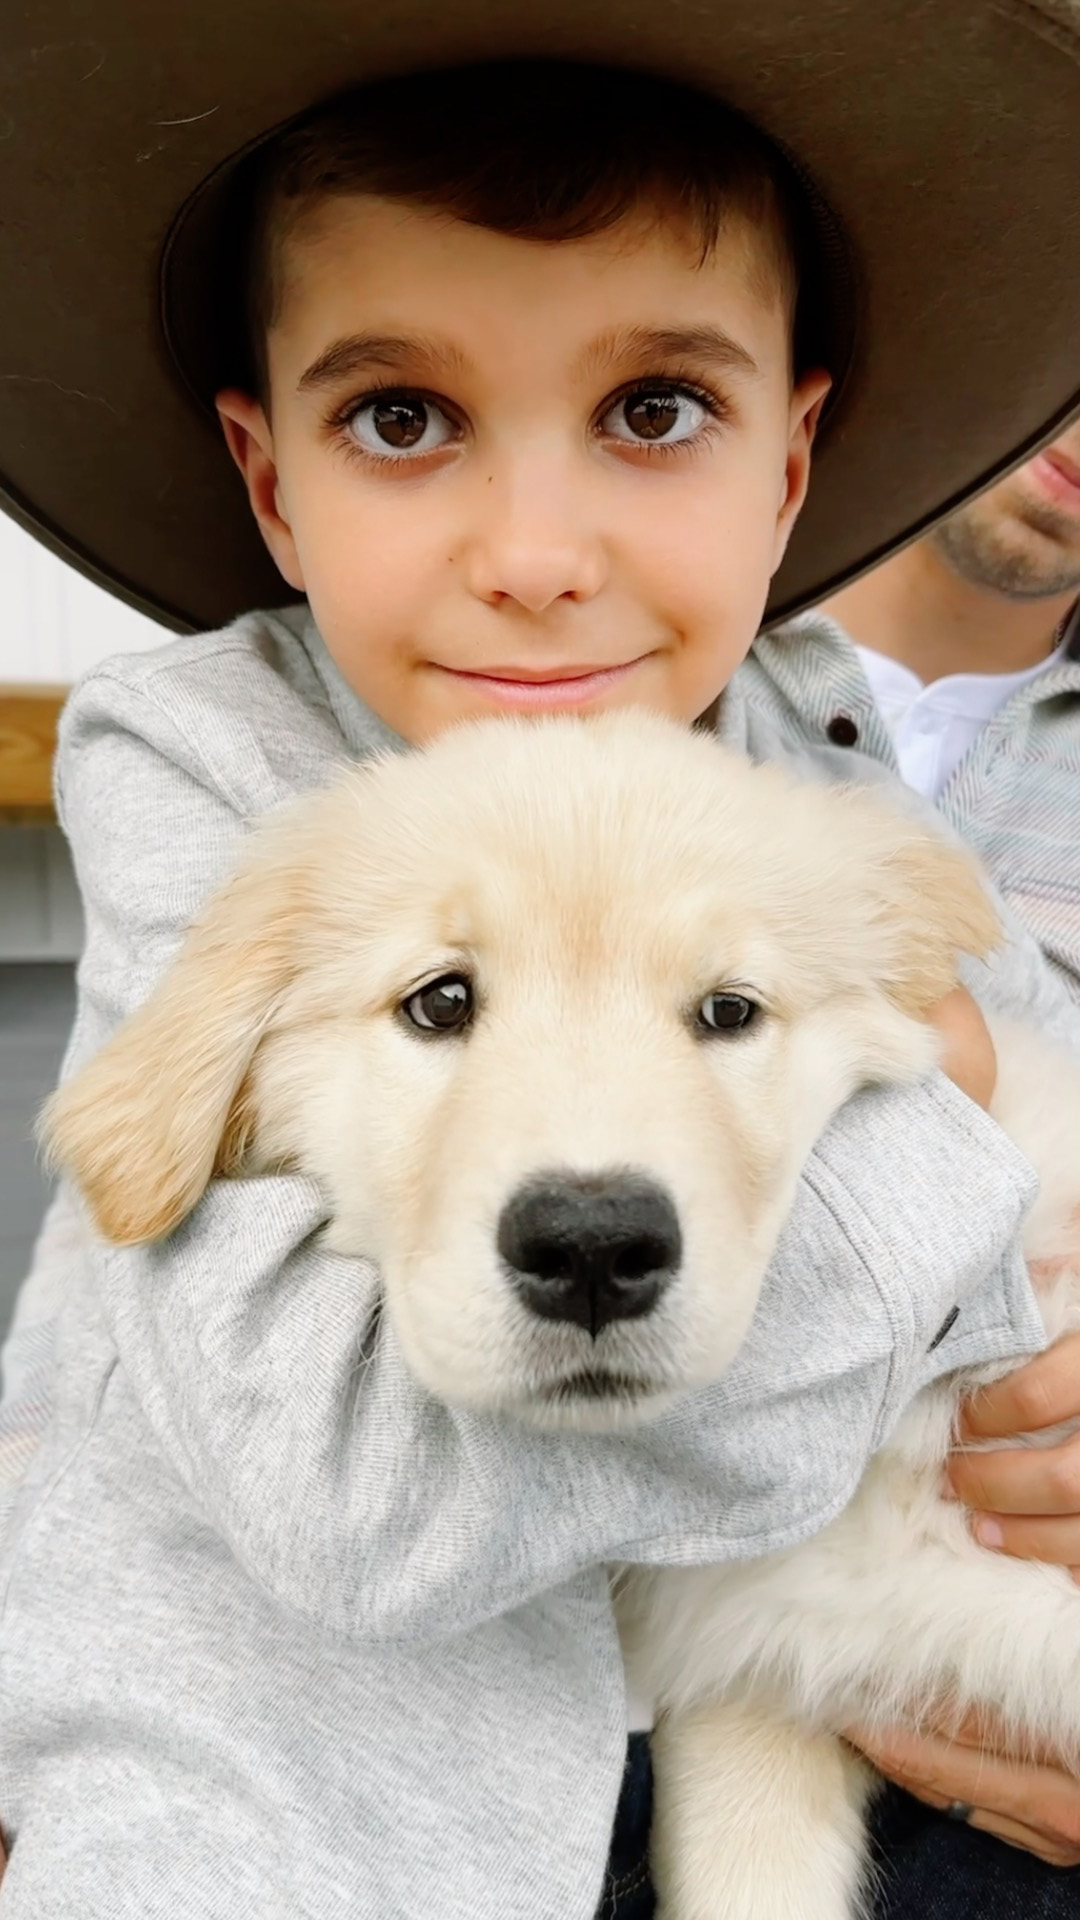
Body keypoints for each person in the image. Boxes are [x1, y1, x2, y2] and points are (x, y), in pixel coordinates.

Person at [1, 12, 1080, 1917]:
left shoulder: (791, 756)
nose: (535, 553)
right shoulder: (210, 764)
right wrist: (952, 1134)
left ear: (790, 458)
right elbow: (353, 1496)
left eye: (652, 411)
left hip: (737, 1722)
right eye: (402, 416)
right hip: (292, 1825)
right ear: (269, 478)